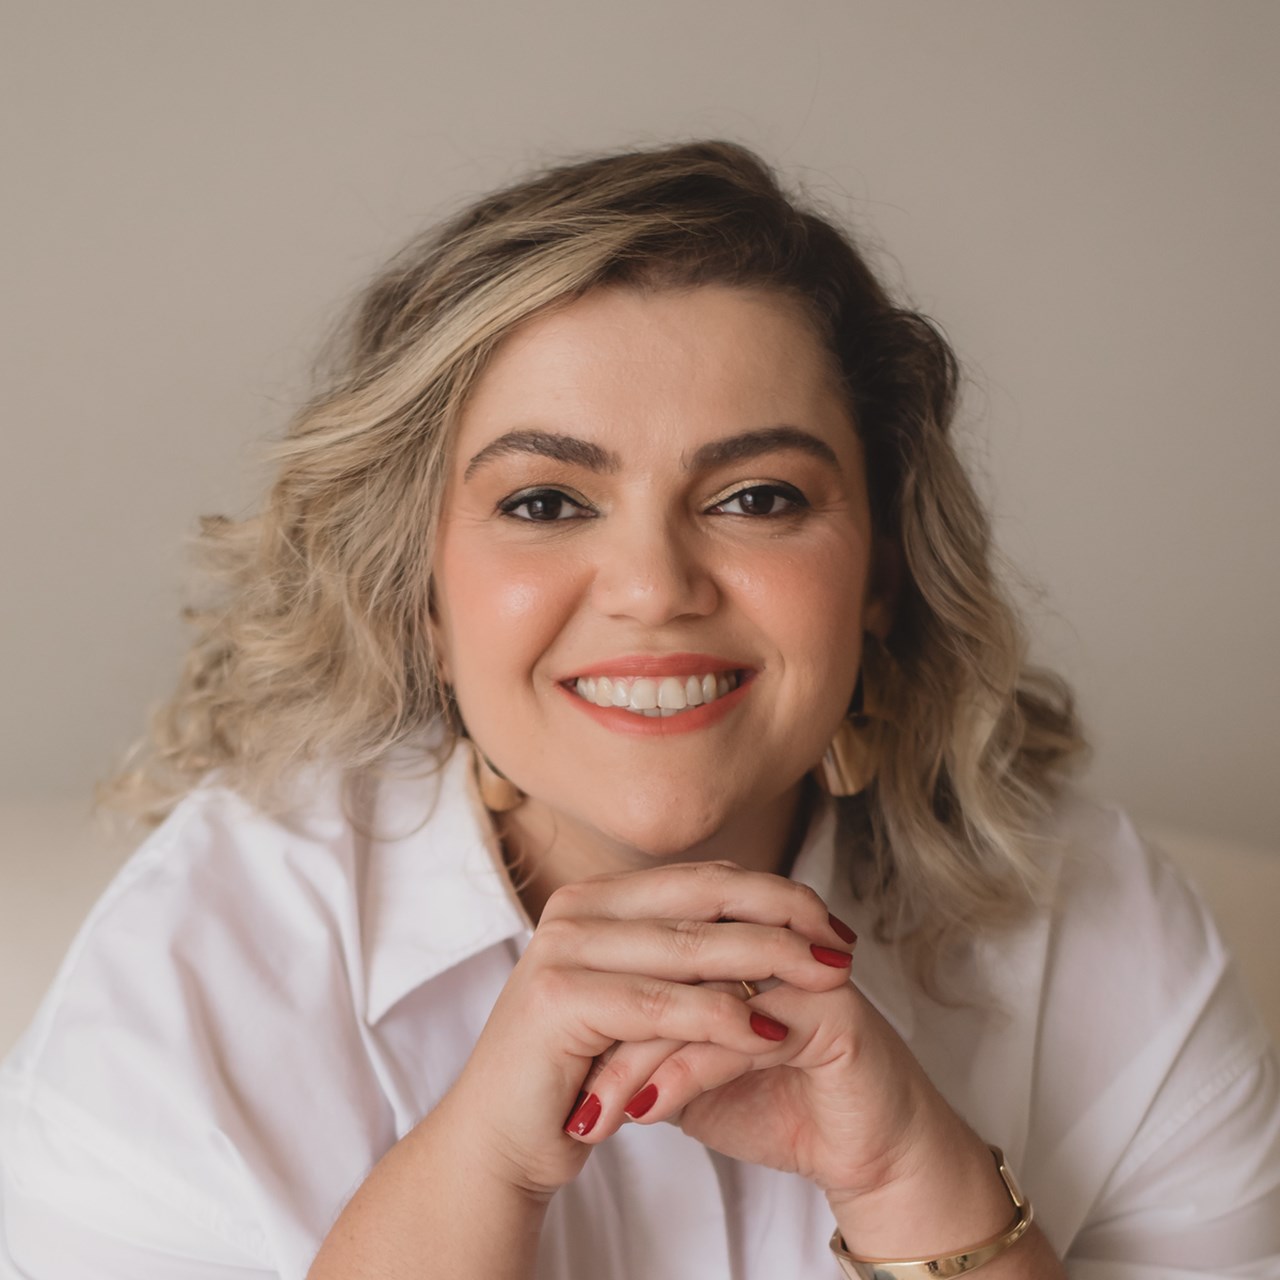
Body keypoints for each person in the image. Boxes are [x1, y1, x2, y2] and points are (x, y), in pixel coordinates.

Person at [1, 141, 1277, 1280]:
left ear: (879, 572)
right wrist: (479, 1167)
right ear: (423, 594)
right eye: (545, 501)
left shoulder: (1094, 929)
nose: (656, 588)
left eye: (757, 496)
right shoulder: (201, 964)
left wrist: (908, 1176)